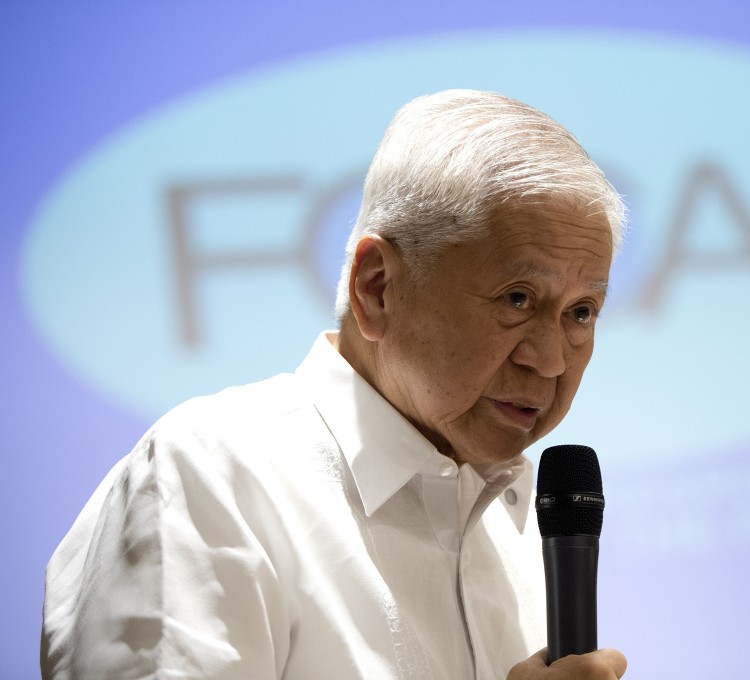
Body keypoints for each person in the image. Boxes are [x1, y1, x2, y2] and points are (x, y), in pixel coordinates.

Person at [41, 89, 628, 680]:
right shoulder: (211, 479)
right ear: (376, 288)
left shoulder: (524, 527)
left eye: (581, 312)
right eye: (517, 299)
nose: (552, 361)